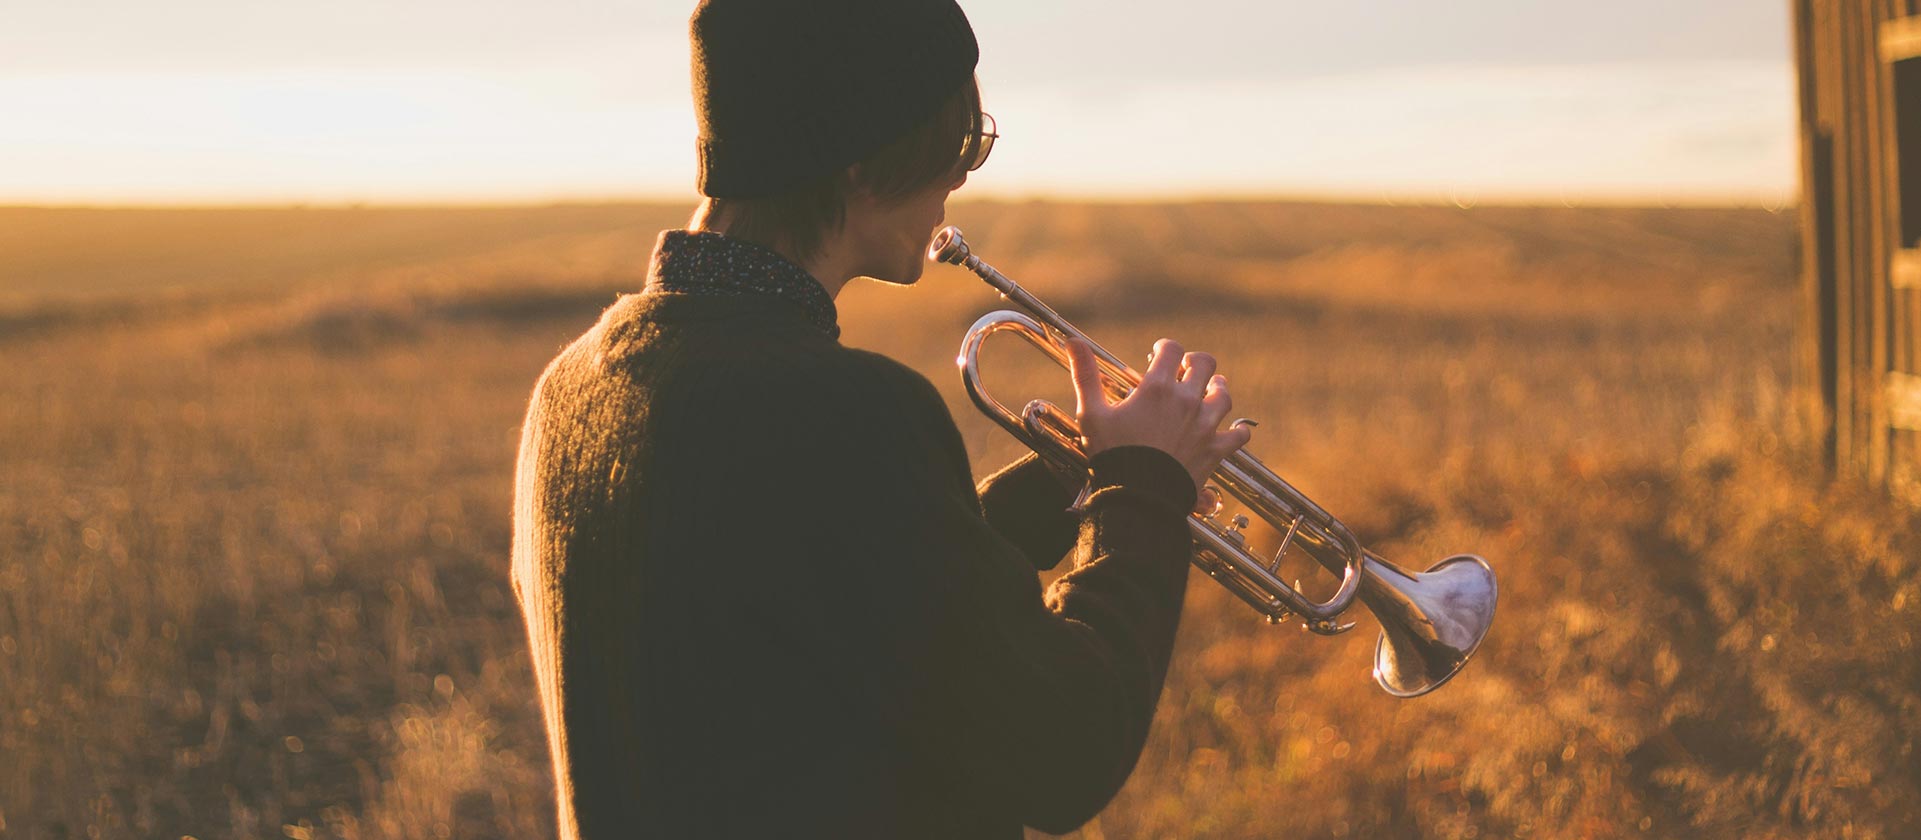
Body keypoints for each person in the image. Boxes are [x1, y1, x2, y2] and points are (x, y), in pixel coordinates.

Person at [509, 0, 1254, 836]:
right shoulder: (841, 413)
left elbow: (816, 596)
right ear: (862, 162)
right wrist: (1142, 493)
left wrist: (1071, 480)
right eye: (959, 144)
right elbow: (1064, 752)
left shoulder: (570, 389)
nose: (963, 177)